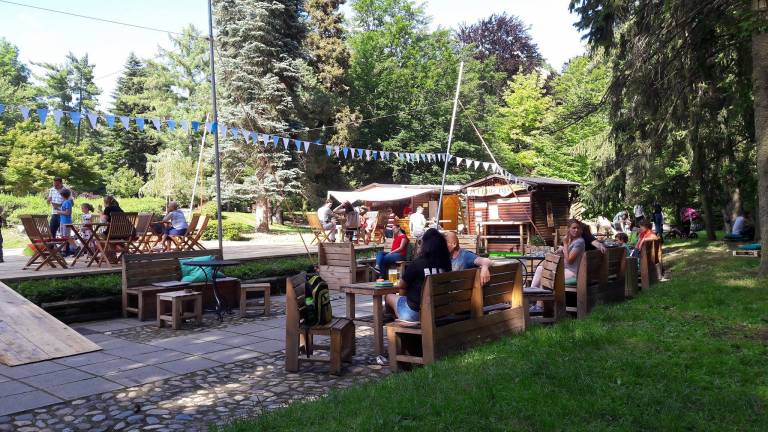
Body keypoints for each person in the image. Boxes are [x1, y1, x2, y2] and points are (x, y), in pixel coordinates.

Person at [384, 228, 452, 322]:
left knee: (388, 296)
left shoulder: (418, 263)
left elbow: (402, 285)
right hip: (440, 312)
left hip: (415, 314)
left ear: (425, 245)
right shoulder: (446, 264)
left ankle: (394, 323)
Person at [529, 219, 586, 314]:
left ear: (580, 230)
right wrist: (560, 250)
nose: (576, 230)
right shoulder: (572, 240)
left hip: (572, 273)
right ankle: (531, 296)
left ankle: (539, 305)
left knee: (547, 275)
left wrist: (565, 245)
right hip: (566, 270)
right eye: (573, 228)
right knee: (540, 269)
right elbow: (564, 251)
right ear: (569, 229)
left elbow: (570, 261)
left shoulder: (579, 242)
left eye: (578, 228)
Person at [58, 189, 74, 256]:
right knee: (63, 236)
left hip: (66, 222)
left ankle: (76, 247)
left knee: (66, 236)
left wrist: (59, 212)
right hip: (62, 221)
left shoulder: (67, 202)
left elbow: (68, 213)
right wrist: (60, 210)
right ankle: (63, 250)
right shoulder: (65, 202)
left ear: (62, 195)